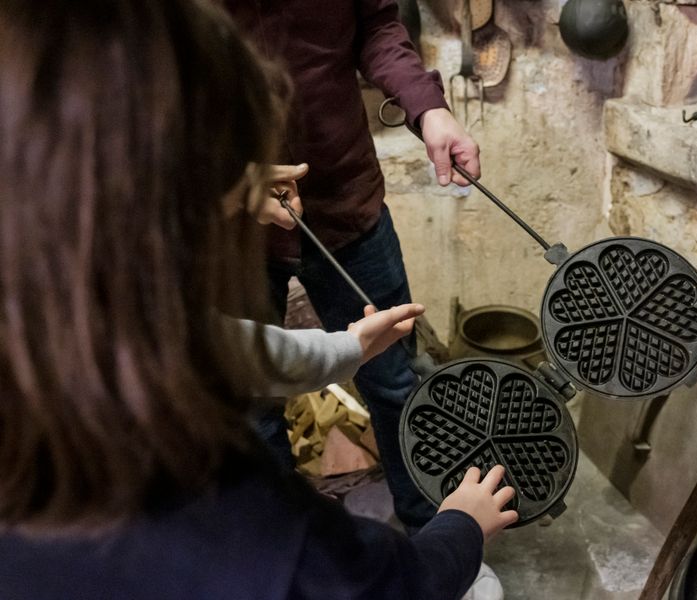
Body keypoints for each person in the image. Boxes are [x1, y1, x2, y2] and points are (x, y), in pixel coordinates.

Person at [0, 2, 518, 599]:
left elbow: (219, 345)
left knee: (393, 384)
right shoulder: (245, 530)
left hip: (345, 201)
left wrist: (345, 348)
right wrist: (461, 530)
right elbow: (390, 587)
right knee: (260, 417)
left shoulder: (87, 322)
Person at [223, 0, 483, 533]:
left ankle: (433, 538)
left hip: (347, 202)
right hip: (230, 226)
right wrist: (223, 179)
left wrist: (428, 107)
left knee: (396, 383)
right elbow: (146, 81)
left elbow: (378, 24)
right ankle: (285, 550)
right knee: (251, 405)